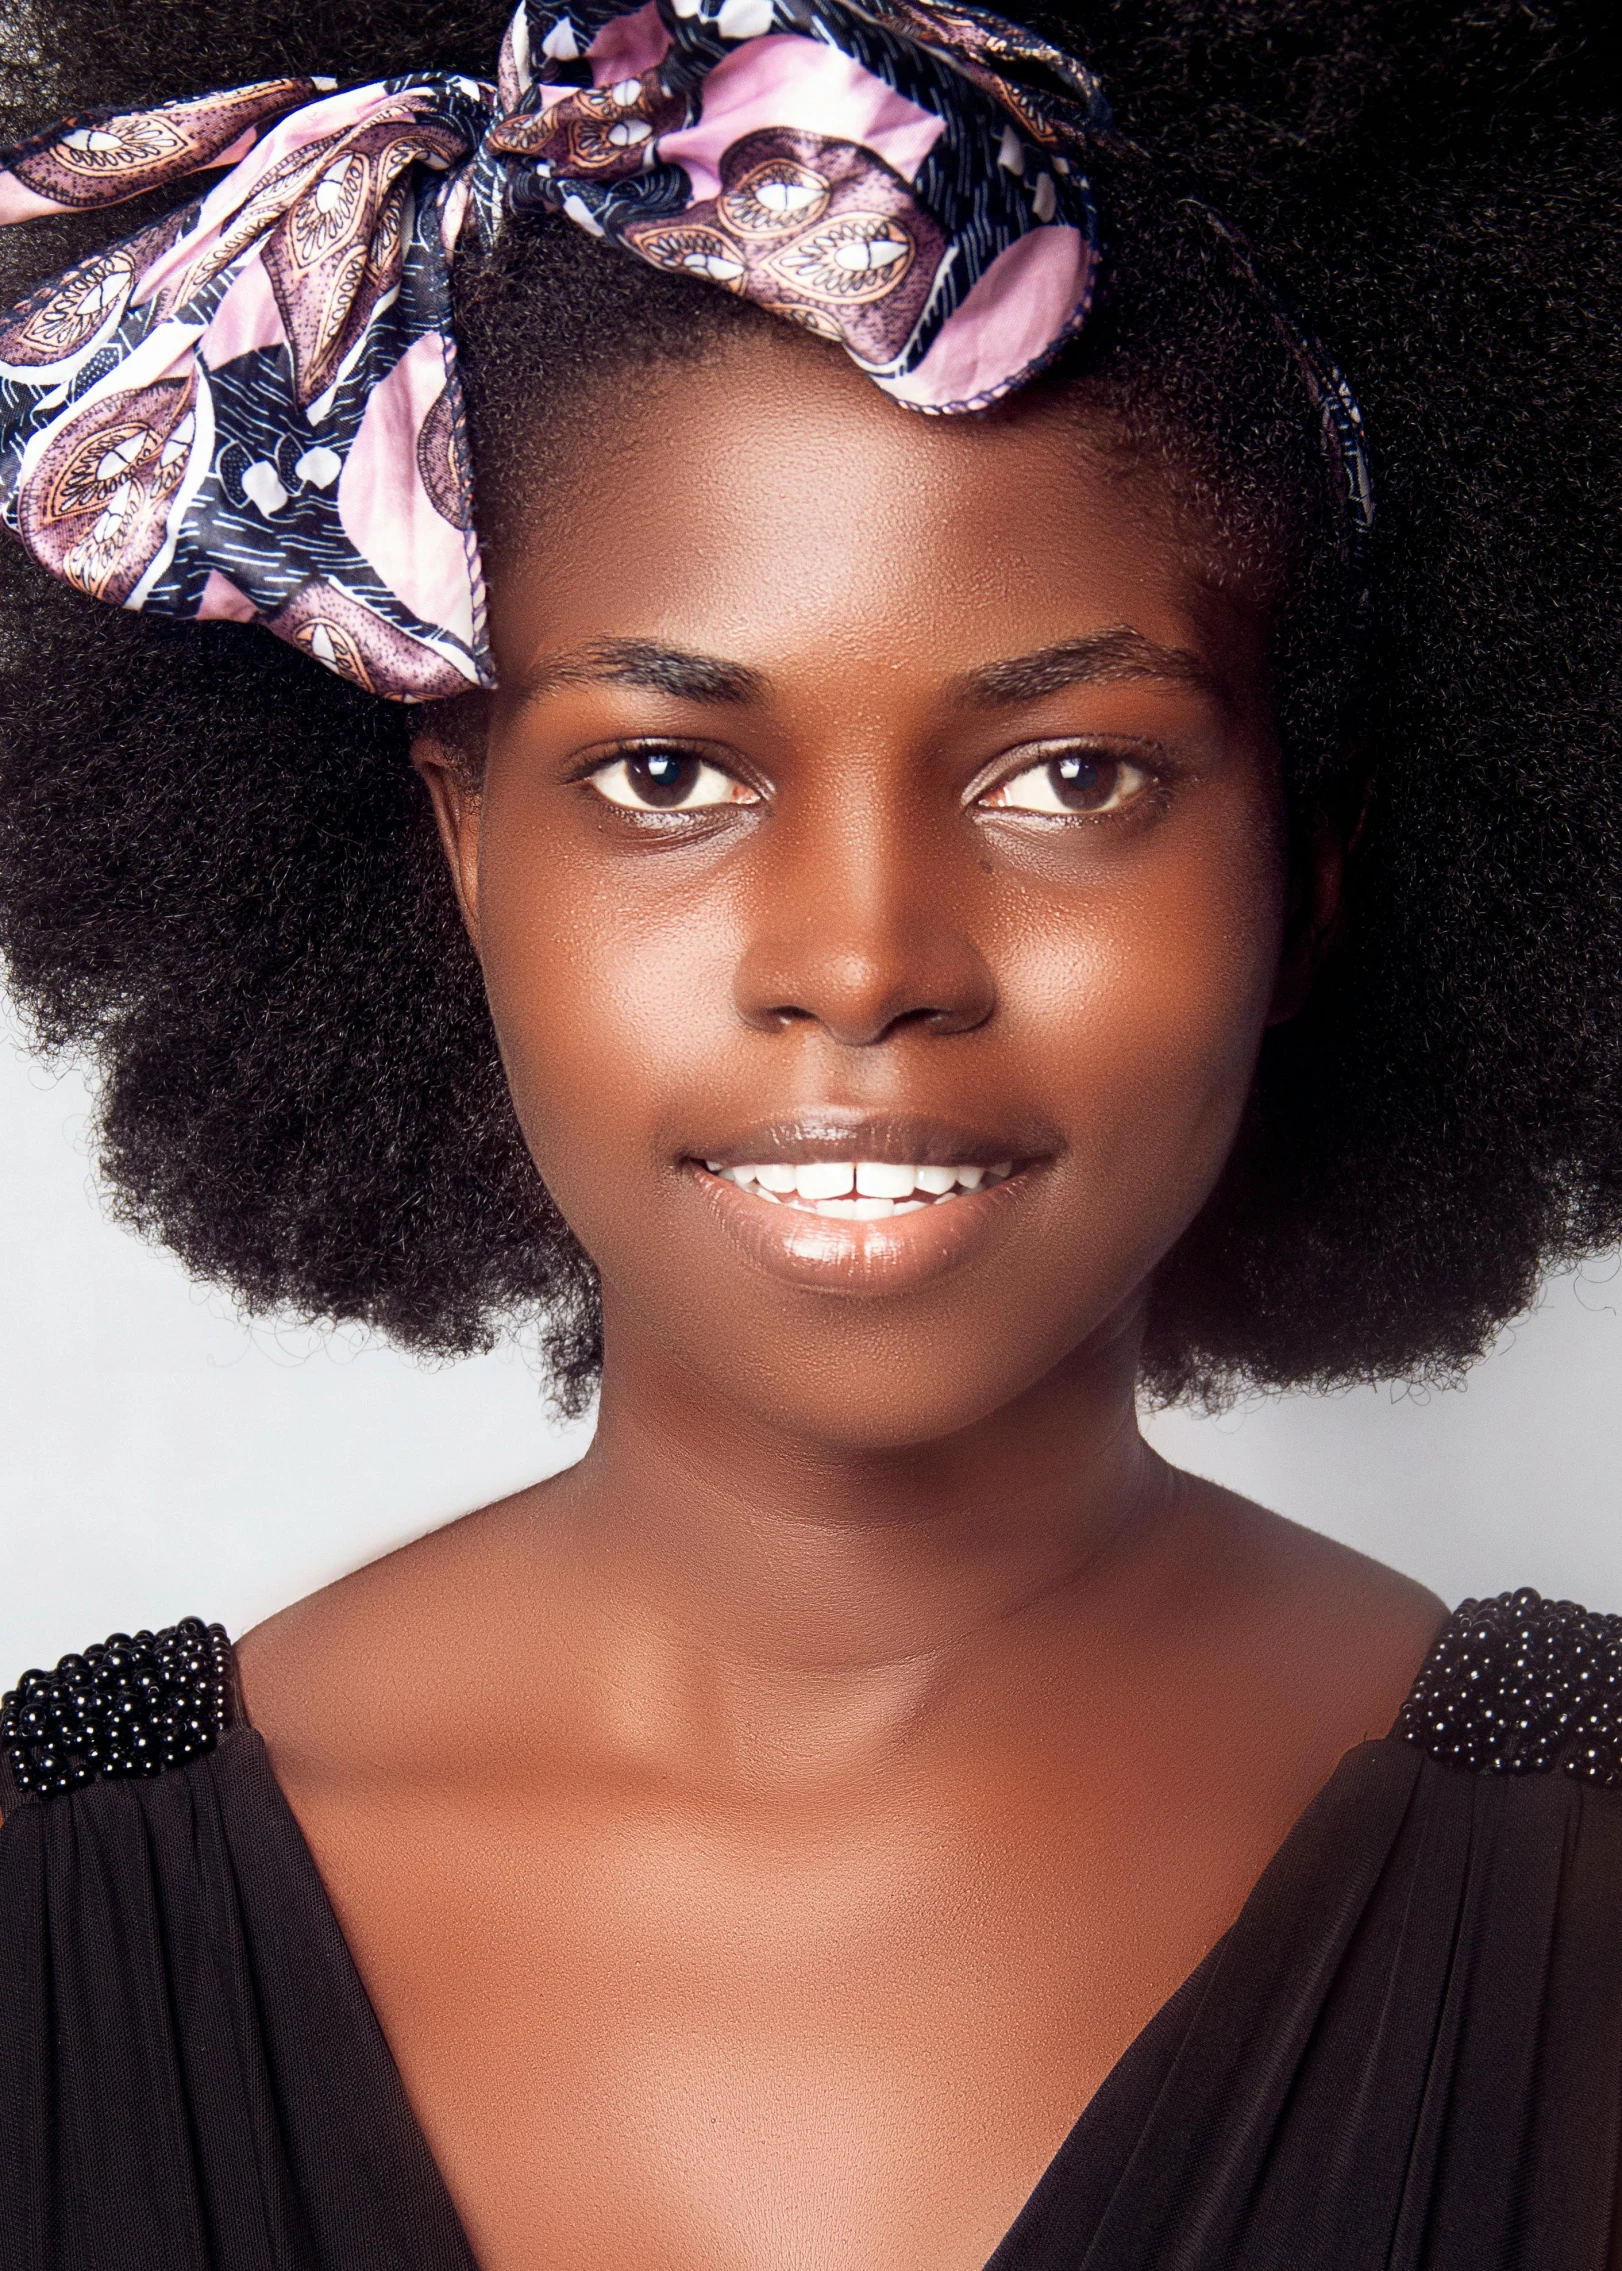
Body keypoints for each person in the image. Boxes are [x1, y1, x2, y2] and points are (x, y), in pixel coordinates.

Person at [0, 0, 1618, 2262]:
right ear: (464, 846)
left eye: (1075, 775)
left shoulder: (1586, 1887)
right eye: (669, 772)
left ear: (1306, 872)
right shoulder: (50, 1898)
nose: (861, 962)